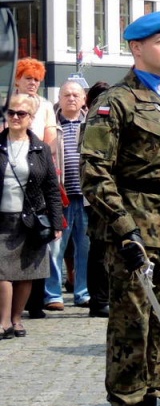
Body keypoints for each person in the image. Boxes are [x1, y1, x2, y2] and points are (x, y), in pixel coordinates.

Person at [80, 11, 160, 406]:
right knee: (133, 328)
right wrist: (125, 229)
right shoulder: (116, 102)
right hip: (136, 233)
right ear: (137, 48)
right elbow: (94, 172)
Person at [0, 94, 63, 339]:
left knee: (26, 273)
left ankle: (17, 319)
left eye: (21, 114)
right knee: (3, 273)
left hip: (31, 220)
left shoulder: (41, 149)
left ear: (31, 118)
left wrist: (56, 223)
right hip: (2, 220)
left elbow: (51, 188)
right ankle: (3, 321)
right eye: (11, 113)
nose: (15, 117)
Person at [47, 80, 90, 309]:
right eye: (66, 95)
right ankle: (53, 294)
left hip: (86, 197)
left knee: (85, 249)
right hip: (60, 196)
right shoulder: (51, 125)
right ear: (60, 99)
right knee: (55, 249)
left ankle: (83, 292)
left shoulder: (92, 123)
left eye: (76, 95)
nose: (71, 98)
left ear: (83, 99)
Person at [83, 81, 113, 318]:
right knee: (99, 249)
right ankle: (99, 300)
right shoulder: (91, 124)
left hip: (117, 193)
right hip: (98, 195)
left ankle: (106, 297)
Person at [14, 58, 57, 146]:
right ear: (17, 79)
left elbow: (50, 143)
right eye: (28, 78)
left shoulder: (46, 106)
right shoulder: (5, 104)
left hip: (37, 155)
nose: (33, 83)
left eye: (36, 80)